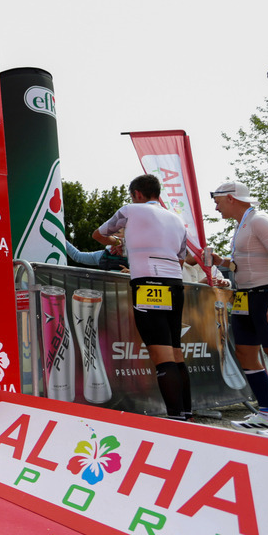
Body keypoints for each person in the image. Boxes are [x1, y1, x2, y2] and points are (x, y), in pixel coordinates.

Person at [206, 181, 268, 442]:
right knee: (246, 354)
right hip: (244, 298)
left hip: (266, 296)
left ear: (230, 198)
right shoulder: (243, 223)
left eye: (216, 199)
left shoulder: (261, 220)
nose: (215, 205)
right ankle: (266, 413)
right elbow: (248, 262)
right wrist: (223, 262)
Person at [94, 174, 190, 421]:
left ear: (136, 193)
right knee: (175, 350)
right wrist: (131, 245)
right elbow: (182, 256)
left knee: (161, 353)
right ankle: (186, 412)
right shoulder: (178, 220)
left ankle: (176, 417)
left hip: (148, 282)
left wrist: (118, 241)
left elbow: (99, 234)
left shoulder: (130, 210)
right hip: (175, 282)